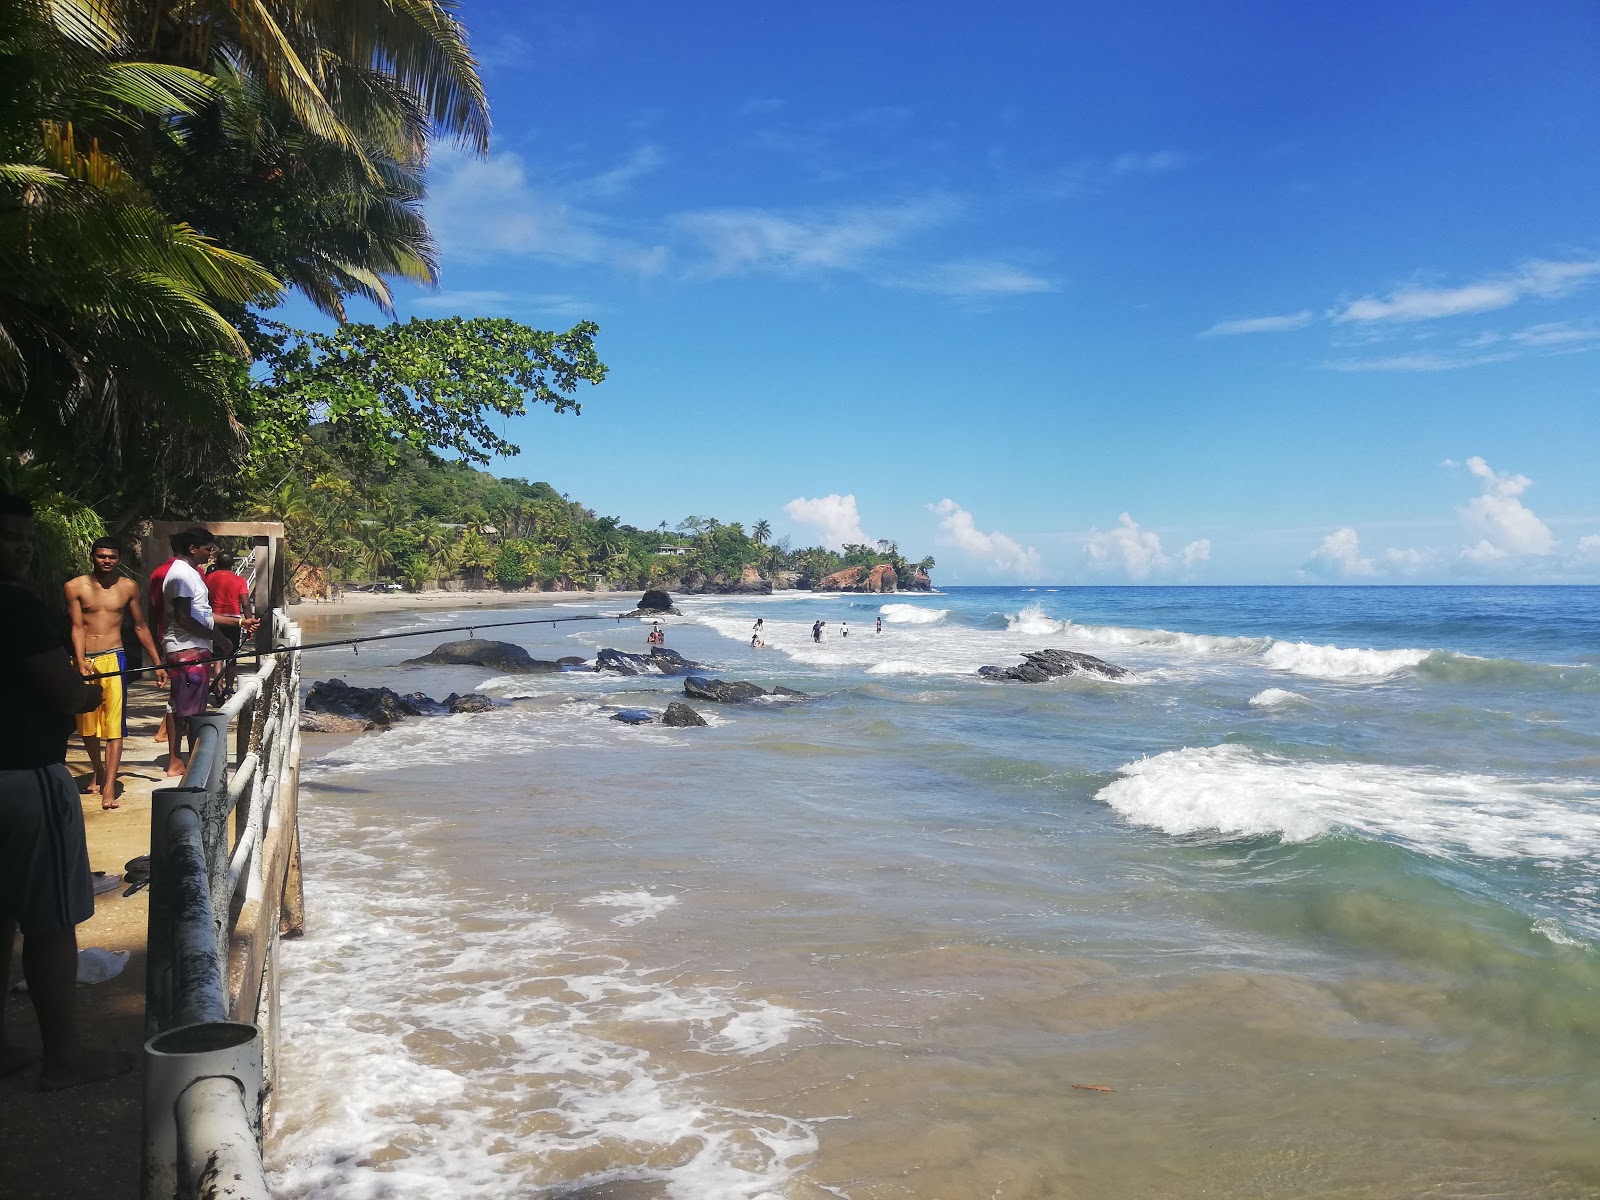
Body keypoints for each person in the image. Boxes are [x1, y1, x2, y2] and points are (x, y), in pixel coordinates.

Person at [0, 493, 134, 1090]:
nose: (23, 549)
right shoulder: (18, 609)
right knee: (51, 924)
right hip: (27, 775)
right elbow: (63, 694)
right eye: (11, 538)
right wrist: (87, 695)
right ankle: (64, 1058)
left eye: (26, 538)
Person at [63, 538, 166, 808]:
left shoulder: (128, 587)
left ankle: (109, 784)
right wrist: (81, 659)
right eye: (101, 556)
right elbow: (76, 627)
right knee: (86, 724)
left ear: (119, 559)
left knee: (113, 724)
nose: (106, 561)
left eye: (111, 556)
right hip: (85, 660)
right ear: (93, 557)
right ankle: (98, 768)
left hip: (114, 659)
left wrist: (158, 662)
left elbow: (140, 626)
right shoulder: (75, 587)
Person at [161, 528, 230, 778]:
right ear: (193, 549)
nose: (211, 553)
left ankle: (180, 759)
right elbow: (183, 618)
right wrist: (218, 638)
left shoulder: (190, 573)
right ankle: (182, 762)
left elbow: (201, 612)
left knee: (180, 706)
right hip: (187, 649)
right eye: (208, 548)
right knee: (189, 712)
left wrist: (236, 624)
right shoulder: (181, 575)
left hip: (191, 648)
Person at [203, 550, 255, 701]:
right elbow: (245, 604)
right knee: (232, 656)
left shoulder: (208, 579)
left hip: (215, 620)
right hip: (234, 622)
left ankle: (218, 690)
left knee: (218, 656)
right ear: (232, 565)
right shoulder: (240, 581)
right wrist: (249, 622)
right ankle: (229, 688)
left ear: (217, 563)